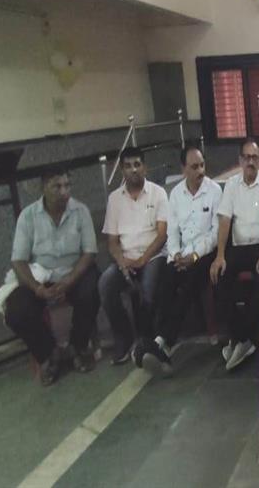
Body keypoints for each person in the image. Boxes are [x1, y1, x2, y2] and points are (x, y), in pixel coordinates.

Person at [5, 168, 100, 386]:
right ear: (44, 188)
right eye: (57, 186)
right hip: (41, 276)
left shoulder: (81, 211)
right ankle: (48, 353)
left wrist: (69, 280)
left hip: (74, 272)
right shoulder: (28, 216)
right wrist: (37, 288)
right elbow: (18, 260)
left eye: (67, 186)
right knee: (16, 311)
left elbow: (89, 253)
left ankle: (78, 345)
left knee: (92, 292)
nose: (64, 192)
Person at [134, 145, 222, 375]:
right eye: (194, 167)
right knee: (165, 282)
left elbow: (215, 234)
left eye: (202, 165)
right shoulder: (175, 195)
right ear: (183, 169)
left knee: (188, 284)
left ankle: (162, 342)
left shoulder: (214, 191)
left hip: (205, 254)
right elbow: (172, 232)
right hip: (181, 254)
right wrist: (175, 256)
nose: (200, 171)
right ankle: (159, 342)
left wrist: (194, 256)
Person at [210, 138, 259, 370]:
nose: (250, 162)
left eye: (254, 157)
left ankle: (241, 338)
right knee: (219, 276)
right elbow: (225, 221)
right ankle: (242, 338)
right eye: (246, 157)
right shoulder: (231, 185)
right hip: (237, 249)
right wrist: (220, 255)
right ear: (240, 160)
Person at [100, 147, 169, 366]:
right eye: (128, 166)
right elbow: (112, 241)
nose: (134, 170)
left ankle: (146, 342)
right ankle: (124, 337)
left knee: (148, 290)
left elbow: (162, 235)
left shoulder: (158, 193)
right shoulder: (114, 199)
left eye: (137, 164)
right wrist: (122, 263)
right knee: (105, 284)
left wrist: (142, 260)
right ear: (122, 170)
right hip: (126, 259)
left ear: (144, 167)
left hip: (153, 256)